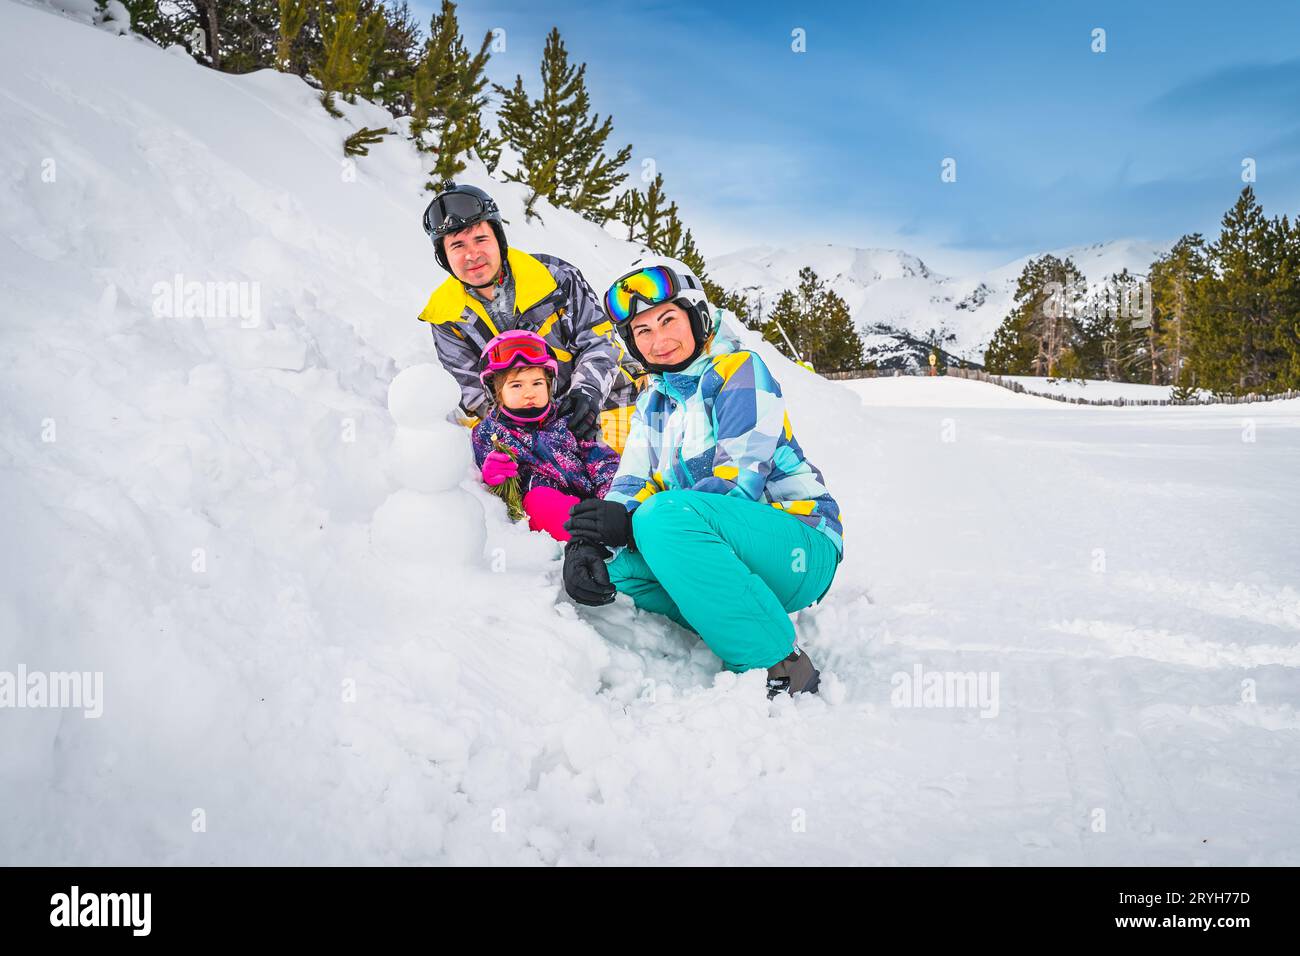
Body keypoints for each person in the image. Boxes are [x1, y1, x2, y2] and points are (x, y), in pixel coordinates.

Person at [560, 256, 845, 699]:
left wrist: (633, 525)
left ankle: (778, 662)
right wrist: (588, 543)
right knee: (614, 569)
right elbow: (630, 482)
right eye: (643, 331)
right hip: (722, 554)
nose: (659, 340)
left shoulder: (740, 371)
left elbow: (737, 483)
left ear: (697, 316)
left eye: (668, 319)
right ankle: (732, 617)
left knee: (659, 518)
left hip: (800, 548)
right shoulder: (652, 402)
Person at [418, 181, 643, 454]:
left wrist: (587, 394)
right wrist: (520, 430)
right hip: (526, 427)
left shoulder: (555, 277)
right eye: (457, 246)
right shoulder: (445, 315)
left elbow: (599, 342)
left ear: (498, 238)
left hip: (609, 403)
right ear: (444, 256)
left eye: (480, 239)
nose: (472, 254)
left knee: (628, 483)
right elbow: (471, 390)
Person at [470, 330, 620, 541]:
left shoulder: (569, 418)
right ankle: (589, 542)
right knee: (539, 501)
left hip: (592, 499)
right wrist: (492, 474)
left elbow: (602, 459)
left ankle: (617, 530)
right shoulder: (489, 433)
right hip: (549, 507)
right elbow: (485, 473)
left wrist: (610, 497)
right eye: (516, 385)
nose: (529, 392)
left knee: (620, 482)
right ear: (496, 391)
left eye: (537, 383)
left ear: (550, 385)